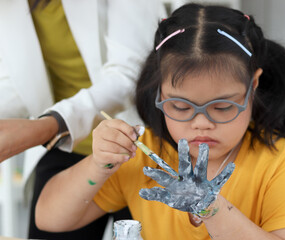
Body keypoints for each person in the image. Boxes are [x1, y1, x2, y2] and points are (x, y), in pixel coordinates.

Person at [35, 3, 285, 240]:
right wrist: (98, 164)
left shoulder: (282, 159)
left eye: (223, 106)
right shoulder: (147, 152)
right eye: (180, 106)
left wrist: (210, 207)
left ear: (254, 85)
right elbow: (49, 219)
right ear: (158, 91)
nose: (201, 123)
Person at [0, 0, 166, 239]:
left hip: (136, 146)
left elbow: (130, 75)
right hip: (65, 145)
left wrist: (51, 124)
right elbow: (15, 83)